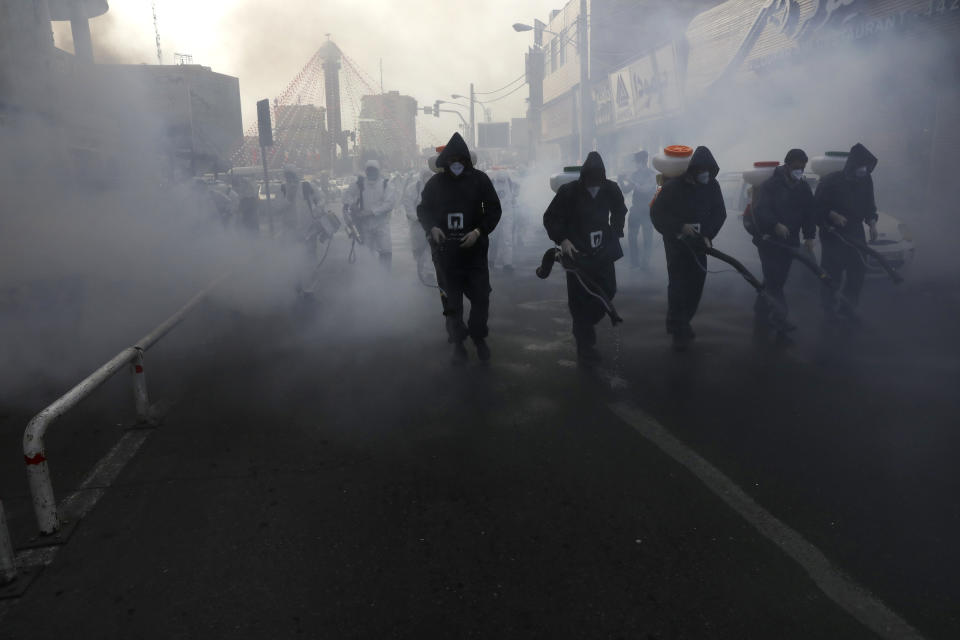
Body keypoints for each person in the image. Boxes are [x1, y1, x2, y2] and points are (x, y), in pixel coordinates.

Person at [417, 133, 502, 365]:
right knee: (452, 302)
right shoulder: (435, 184)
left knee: (481, 298)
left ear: (467, 160)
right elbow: (423, 210)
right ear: (444, 161)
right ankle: (457, 342)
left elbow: (494, 210)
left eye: (460, 159)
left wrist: (478, 232)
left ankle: (479, 337)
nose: (456, 164)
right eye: (452, 159)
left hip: (474, 254)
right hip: (446, 255)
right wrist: (432, 227)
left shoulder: (480, 180)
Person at [543, 151, 627, 364]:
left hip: (602, 252)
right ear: (584, 177)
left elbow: (620, 210)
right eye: (590, 181)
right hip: (577, 253)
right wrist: (563, 239)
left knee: (608, 290)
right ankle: (585, 346)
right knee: (579, 301)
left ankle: (583, 325)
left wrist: (615, 231)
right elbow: (551, 218)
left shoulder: (611, 189)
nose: (594, 186)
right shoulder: (569, 192)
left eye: (597, 181)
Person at [650, 146, 727, 351]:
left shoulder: (712, 186)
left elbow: (720, 213)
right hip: (677, 243)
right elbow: (658, 214)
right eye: (701, 170)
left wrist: (709, 235)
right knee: (678, 285)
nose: (705, 174)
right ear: (692, 170)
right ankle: (677, 327)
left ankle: (684, 321)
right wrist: (679, 227)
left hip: (700, 243)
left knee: (696, 284)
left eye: (709, 170)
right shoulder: (674, 187)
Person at [752, 148, 816, 342]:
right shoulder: (771, 185)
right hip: (770, 242)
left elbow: (809, 213)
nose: (800, 170)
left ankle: (760, 311)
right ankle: (781, 321)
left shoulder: (803, 188)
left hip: (791, 241)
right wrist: (775, 224)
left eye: (802, 167)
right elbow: (761, 210)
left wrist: (810, 236)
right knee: (775, 280)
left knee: (775, 281)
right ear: (787, 165)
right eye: (797, 166)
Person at [815, 143, 878, 321]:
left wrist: (872, 222)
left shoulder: (866, 181)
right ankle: (828, 308)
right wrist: (832, 215)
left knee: (857, 272)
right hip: (833, 233)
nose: (864, 170)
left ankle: (848, 307)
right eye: (861, 166)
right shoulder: (831, 181)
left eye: (867, 167)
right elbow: (816, 208)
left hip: (855, 231)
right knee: (832, 273)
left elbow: (869, 205)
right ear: (852, 165)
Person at [344, 159, 397, 268]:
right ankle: (369, 275)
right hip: (365, 225)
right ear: (366, 171)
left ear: (378, 171)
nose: (371, 173)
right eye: (369, 170)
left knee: (385, 250)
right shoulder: (359, 184)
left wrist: (371, 212)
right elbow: (347, 196)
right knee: (366, 252)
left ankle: (385, 276)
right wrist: (352, 205)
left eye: (374, 170)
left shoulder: (386, 184)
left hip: (381, 224)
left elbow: (389, 204)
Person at [617, 150, 658, 269]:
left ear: (644, 161)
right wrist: (621, 181)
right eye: (636, 162)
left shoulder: (652, 174)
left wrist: (630, 180)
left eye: (638, 162)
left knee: (647, 238)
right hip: (636, 210)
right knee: (632, 236)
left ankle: (645, 263)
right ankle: (634, 263)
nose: (637, 164)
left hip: (647, 211)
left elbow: (644, 189)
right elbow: (626, 190)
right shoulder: (634, 174)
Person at [488, 169, 518, 274]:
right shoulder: (491, 181)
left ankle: (507, 263)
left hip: (507, 213)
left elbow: (515, 193)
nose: (501, 182)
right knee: (493, 239)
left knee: (507, 238)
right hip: (494, 213)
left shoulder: (510, 182)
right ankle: (491, 260)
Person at [403, 169, 433, 266]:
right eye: (426, 175)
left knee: (432, 247)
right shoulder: (413, 188)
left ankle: (430, 271)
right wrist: (416, 218)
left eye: (429, 175)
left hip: (432, 224)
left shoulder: (437, 187)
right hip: (417, 224)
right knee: (418, 248)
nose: (427, 178)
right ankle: (420, 268)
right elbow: (408, 204)